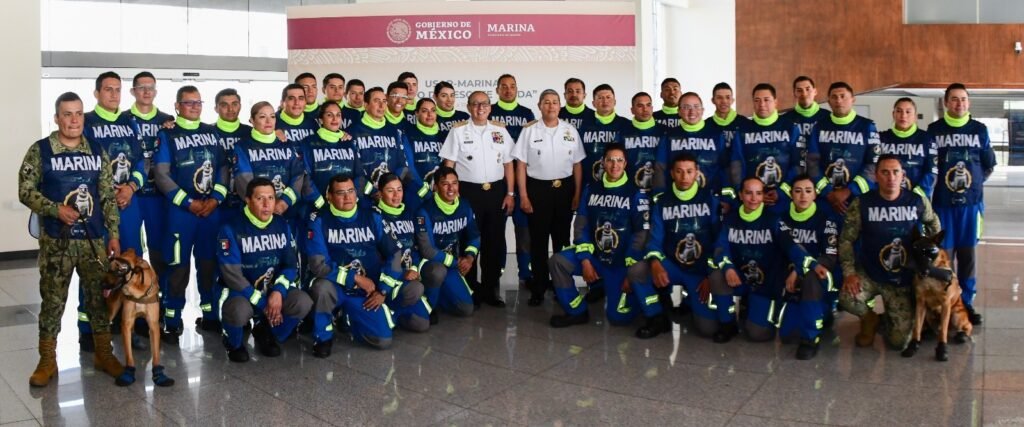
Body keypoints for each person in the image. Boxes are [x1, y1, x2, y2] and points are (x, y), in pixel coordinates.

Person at [20, 92, 124, 386]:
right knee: (53, 301)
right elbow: (25, 191)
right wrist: (55, 209)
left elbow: (107, 196)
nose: (74, 120)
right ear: (57, 118)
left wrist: (114, 234)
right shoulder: (41, 150)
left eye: (78, 113)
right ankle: (47, 360)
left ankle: (104, 353)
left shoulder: (97, 150)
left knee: (99, 300)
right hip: (58, 242)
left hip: (93, 242)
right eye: (67, 114)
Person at [306, 175, 424, 355]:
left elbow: (395, 253)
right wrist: (354, 278)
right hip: (336, 287)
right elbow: (319, 265)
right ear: (329, 196)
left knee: (383, 341)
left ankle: (349, 318)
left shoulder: (372, 216)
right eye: (341, 193)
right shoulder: (318, 220)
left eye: (351, 191)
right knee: (321, 287)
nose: (347, 197)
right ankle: (323, 337)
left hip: (367, 292)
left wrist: (382, 290)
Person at [839, 154, 941, 350]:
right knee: (847, 298)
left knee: (899, 342)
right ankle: (869, 319)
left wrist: (928, 255)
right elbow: (846, 240)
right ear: (876, 176)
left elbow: (933, 224)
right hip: (870, 273)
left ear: (903, 175)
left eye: (895, 172)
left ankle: (888, 319)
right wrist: (849, 273)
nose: (891, 177)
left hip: (902, 280)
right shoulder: (862, 203)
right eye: (885, 172)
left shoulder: (917, 201)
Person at [547, 144, 653, 328]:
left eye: (619, 160)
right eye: (610, 160)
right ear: (603, 163)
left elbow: (641, 235)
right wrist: (585, 260)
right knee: (557, 261)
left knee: (617, 318)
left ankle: (639, 298)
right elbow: (581, 226)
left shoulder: (636, 194)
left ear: (625, 163)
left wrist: (631, 272)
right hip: (595, 258)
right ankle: (576, 311)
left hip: (620, 265)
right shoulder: (590, 189)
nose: (614, 165)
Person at [154, 85, 229, 343]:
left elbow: (223, 168)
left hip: (210, 211)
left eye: (198, 102)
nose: (195, 107)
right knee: (178, 267)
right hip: (181, 213)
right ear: (177, 106)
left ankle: (210, 314)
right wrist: (188, 203)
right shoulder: (167, 134)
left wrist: (216, 198)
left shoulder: (211, 132)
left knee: (209, 265)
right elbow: (161, 174)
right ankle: (172, 320)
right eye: (188, 102)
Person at [707, 176, 817, 343]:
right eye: (749, 193)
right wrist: (728, 267)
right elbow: (720, 248)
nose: (754, 198)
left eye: (758, 193)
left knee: (758, 334)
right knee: (717, 274)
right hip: (738, 278)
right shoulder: (730, 220)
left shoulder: (774, 219)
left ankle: (755, 307)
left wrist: (810, 265)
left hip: (765, 284)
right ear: (740, 195)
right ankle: (727, 324)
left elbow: (792, 246)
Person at [80, 71, 144, 349]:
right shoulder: (87, 123)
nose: (114, 94)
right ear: (97, 93)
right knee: (95, 265)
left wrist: (131, 187)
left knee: (130, 264)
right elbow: (81, 164)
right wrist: (105, 194)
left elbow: (141, 163)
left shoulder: (130, 123)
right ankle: (89, 328)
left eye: (117, 89)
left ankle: (128, 321)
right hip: (97, 207)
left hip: (128, 204)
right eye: (108, 89)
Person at [217, 177, 312, 362]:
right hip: (241, 292)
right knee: (237, 312)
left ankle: (268, 332)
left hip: (270, 290)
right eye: (260, 198)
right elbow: (232, 276)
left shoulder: (282, 224)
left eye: (271, 198)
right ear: (248, 200)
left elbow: (290, 265)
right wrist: (263, 303)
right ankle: (232, 342)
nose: (267, 204)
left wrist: (278, 291)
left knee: (303, 302)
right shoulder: (230, 228)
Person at [928, 83, 997, 325]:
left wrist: (972, 185)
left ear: (969, 102)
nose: (959, 103)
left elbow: (988, 165)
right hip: (942, 205)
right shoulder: (934, 130)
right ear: (946, 102)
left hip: (971, 206)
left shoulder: (979, 130)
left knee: (968, 256)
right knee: (944, 257)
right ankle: (944, 302)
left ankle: (965, 303)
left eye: (963, 99)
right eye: (954, 99)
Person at [439, 91, 514, 307]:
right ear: (469, 107)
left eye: (484, 104)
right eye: (475, 104)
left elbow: (508, 164)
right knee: (468, 240)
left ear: (490, 107)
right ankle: (470, 288)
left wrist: (510, 194)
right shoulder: (458, 131)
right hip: (468, 193)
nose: (480, 108)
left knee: (494, 241)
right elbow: (449, 164)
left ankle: (491, 290)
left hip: (496, 192)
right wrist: (450, 193)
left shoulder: (500, 130)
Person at [514, 90, 585, 306]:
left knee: (562, 241)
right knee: (538, 241)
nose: (551, 106)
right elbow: (521, 165)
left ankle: (561, 285)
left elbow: (577, 165)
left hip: (564, 190)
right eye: (546, 102)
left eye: (555, 102)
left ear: (560, 106)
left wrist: (577, 194)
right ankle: (539, 286)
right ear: (539, 106)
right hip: (538, 190)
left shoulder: (570, 130)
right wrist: (523, 196)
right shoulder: (529, 131)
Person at [643, 153, 720, 338]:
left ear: (697, 173)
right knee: (639, 270)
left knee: (708, 329)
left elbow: (719, 242)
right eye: (679, 171)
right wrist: (655, 263)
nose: (684, 177)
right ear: (672, 173)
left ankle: (690, 301)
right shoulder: (662, 202)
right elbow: (654, 239)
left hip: (700, 271)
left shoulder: (710, 200)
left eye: (689, 171)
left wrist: (711, 274)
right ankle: (657, 315)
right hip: (672, 265)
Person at [127, 71, 174, 322]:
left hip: (158, 196)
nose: (146, 91)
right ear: (133, 91)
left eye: (151, 87)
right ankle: (132, 302)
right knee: (131, 252)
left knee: (160, 251)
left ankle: (160, 301)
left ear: (156, 91)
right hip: (133, 195)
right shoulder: (124, 119)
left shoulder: (168, 120)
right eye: (141, 87)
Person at [777, 174, 840, 359]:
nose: (803, 195)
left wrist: (799, 270)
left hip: (820, 275)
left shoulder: (826, 220)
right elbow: (784, 250)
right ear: (791, 194)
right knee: (788, 336)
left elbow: (829, 257)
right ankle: (821, 313)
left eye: (808, 191)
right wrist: (794, 270)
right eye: (798, 191)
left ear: (815, 195)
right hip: (791, 277)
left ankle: (811, 339)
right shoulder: (781, 219)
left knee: (813, 277)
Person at [414, 167, 479, 321]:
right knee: (438, 272)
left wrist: (469, 258)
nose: (451, 188)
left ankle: (440, 296)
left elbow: (474, 236)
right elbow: (427, 250)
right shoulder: (424, 211)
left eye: (454, 183)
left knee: (466, 309)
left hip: (451, 264)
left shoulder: (464, 206)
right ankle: (428, 305)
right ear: (436, 187)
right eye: (445, 184)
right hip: (429, 264)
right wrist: (456, 262)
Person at [808, 81, 880, 218]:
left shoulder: (867, 126)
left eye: (843, 96)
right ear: (828, 101)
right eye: (834, 97)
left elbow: (873, 164)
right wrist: (828, 192)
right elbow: (812, 163)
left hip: (858, 199)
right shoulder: (819, 127)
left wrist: (849, 191)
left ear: (853, 99)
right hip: (826, 200)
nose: (838, 101)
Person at [730, 83, 804, 215]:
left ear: (775, 102)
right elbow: (737, 166)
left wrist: (781, 192)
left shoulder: (791, 128)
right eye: (757, 100)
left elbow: (798, 164)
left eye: (766, 100)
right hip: (752, 203)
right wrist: (754, 194)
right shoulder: (742, 131)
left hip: (785, 201)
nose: (762, 104)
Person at [374, 173, 434, 329]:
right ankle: (387, 309)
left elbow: (414, 248)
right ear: (380, 193)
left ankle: (395, 312)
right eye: (390, 191)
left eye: (399, 190)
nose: (396, 195)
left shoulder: (408, 213)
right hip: (385, 278)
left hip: (407, 275)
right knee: (416, 288)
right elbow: (375, 257)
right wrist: (400, 274)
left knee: (422, 324)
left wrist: (413, 268)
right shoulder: (375, 216)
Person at [347, 86, 426, 203]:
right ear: (366, 105)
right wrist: (373, 192)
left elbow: (402, 167)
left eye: (384, 101)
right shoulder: (352, 132)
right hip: (365, 199)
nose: (381, 105)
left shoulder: (394, 132)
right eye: (376, 101)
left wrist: (420, 190)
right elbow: (354, 172)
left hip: (392, 198)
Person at [233, 102, 305, 223]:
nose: (268, 121)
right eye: (262, 117)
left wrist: (284, 202)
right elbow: (244, 182)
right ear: (252, 120)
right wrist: (266, 206)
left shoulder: (287, 145)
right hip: (256, 214)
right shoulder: (242, 147)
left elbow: (298, 176)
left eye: (272, 116)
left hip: (287, 211)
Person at [662, 92, 730, 199]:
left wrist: (725, 198)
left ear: (702, 110)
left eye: (696, 106)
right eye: (686, 107)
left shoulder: (716, 134)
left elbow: (725, 167)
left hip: (711, 198)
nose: (692, 111)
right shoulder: (669, 136)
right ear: (679, 111)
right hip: (677, 198)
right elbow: (661, 167)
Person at [300, 102, 358, 210]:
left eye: (338, 115)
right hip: (317, 206)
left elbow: (359, 174)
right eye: (329, 115)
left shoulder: (348, 142)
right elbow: (305, 176)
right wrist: (320, 203)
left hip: (346, 205)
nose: (335, 119)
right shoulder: (308, 143)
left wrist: (352, 198)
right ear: (321, 120)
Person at [879, 98, 936, 198]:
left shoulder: (927, 139)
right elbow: (874, 170)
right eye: (899, 111)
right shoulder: (881, 138)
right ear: (893, 114)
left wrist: (916, 197)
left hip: (917, 199)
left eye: (908, 112)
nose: (903, 115)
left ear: (915, 116)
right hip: (886, 198)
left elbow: (932, 172)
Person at [212, 88, 251, 227]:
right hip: (214, 199)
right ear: (216, 108)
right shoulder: (208, 132)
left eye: (234, 104)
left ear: (240, 106)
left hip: (244, 199)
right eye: (224, 105)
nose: (230, 109)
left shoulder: (251, 132)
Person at [577, 84, 630, 187]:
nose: (605, 101)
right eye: (600, 98)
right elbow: (577, 159)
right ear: (593, 103)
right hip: (588, 184)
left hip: (618, 185)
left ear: (615, 101)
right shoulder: (582, 126)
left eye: (608, 97)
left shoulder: (626, 125)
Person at [618, 92, 667, 194]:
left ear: (652, 108)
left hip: (660, 191)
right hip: (630, 191)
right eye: (640, 106)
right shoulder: (622, 132)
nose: (645, 109)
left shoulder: (665, 132)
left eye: (648, 105)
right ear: (632, 110)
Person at [782, 76, 830, 174]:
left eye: (808, 89)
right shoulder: (785, 119)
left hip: (822, 171)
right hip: (794, 172)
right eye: (799, 90)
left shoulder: (828, 117)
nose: (804, 94)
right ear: (794, 93)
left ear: (815, 91)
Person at [705, 82, 752, 154]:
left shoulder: (745, 123)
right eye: (719, 97)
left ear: (732, 100)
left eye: (728, 97)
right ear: (713, 100)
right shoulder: (706, 125)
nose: (724, 101)